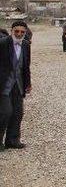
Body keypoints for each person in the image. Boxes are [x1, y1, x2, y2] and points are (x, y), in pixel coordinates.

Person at [0, 21, 32, 151]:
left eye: (22, 32)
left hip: (18, 84)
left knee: (18, 113)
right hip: (3, 84)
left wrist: (28, 83)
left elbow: (26, 66)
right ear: (12, 30)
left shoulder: (25, 45)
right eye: (16, 31)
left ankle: (12, 140)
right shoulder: (2, 44)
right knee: (5, 112)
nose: (19, 34)